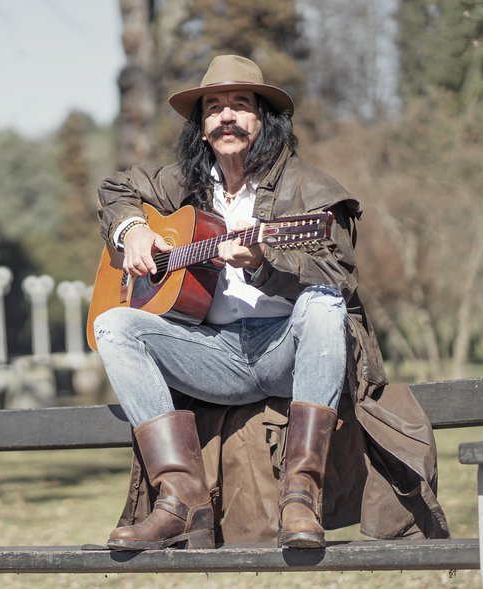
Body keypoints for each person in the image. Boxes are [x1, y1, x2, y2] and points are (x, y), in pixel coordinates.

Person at [92, 54, 447, 551]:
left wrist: (263, 261)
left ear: (265, 120)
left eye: (240, 104)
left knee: (323, 304)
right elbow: (117, 188)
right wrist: (132, 231)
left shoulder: (310, 190)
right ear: (201, 126)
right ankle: (179, 500)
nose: (226, 116)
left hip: (287, 352)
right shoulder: (182, 184)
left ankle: (301, 494)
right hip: (212, 355)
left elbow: (339, 276)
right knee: (114, 324)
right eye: (213, 108)